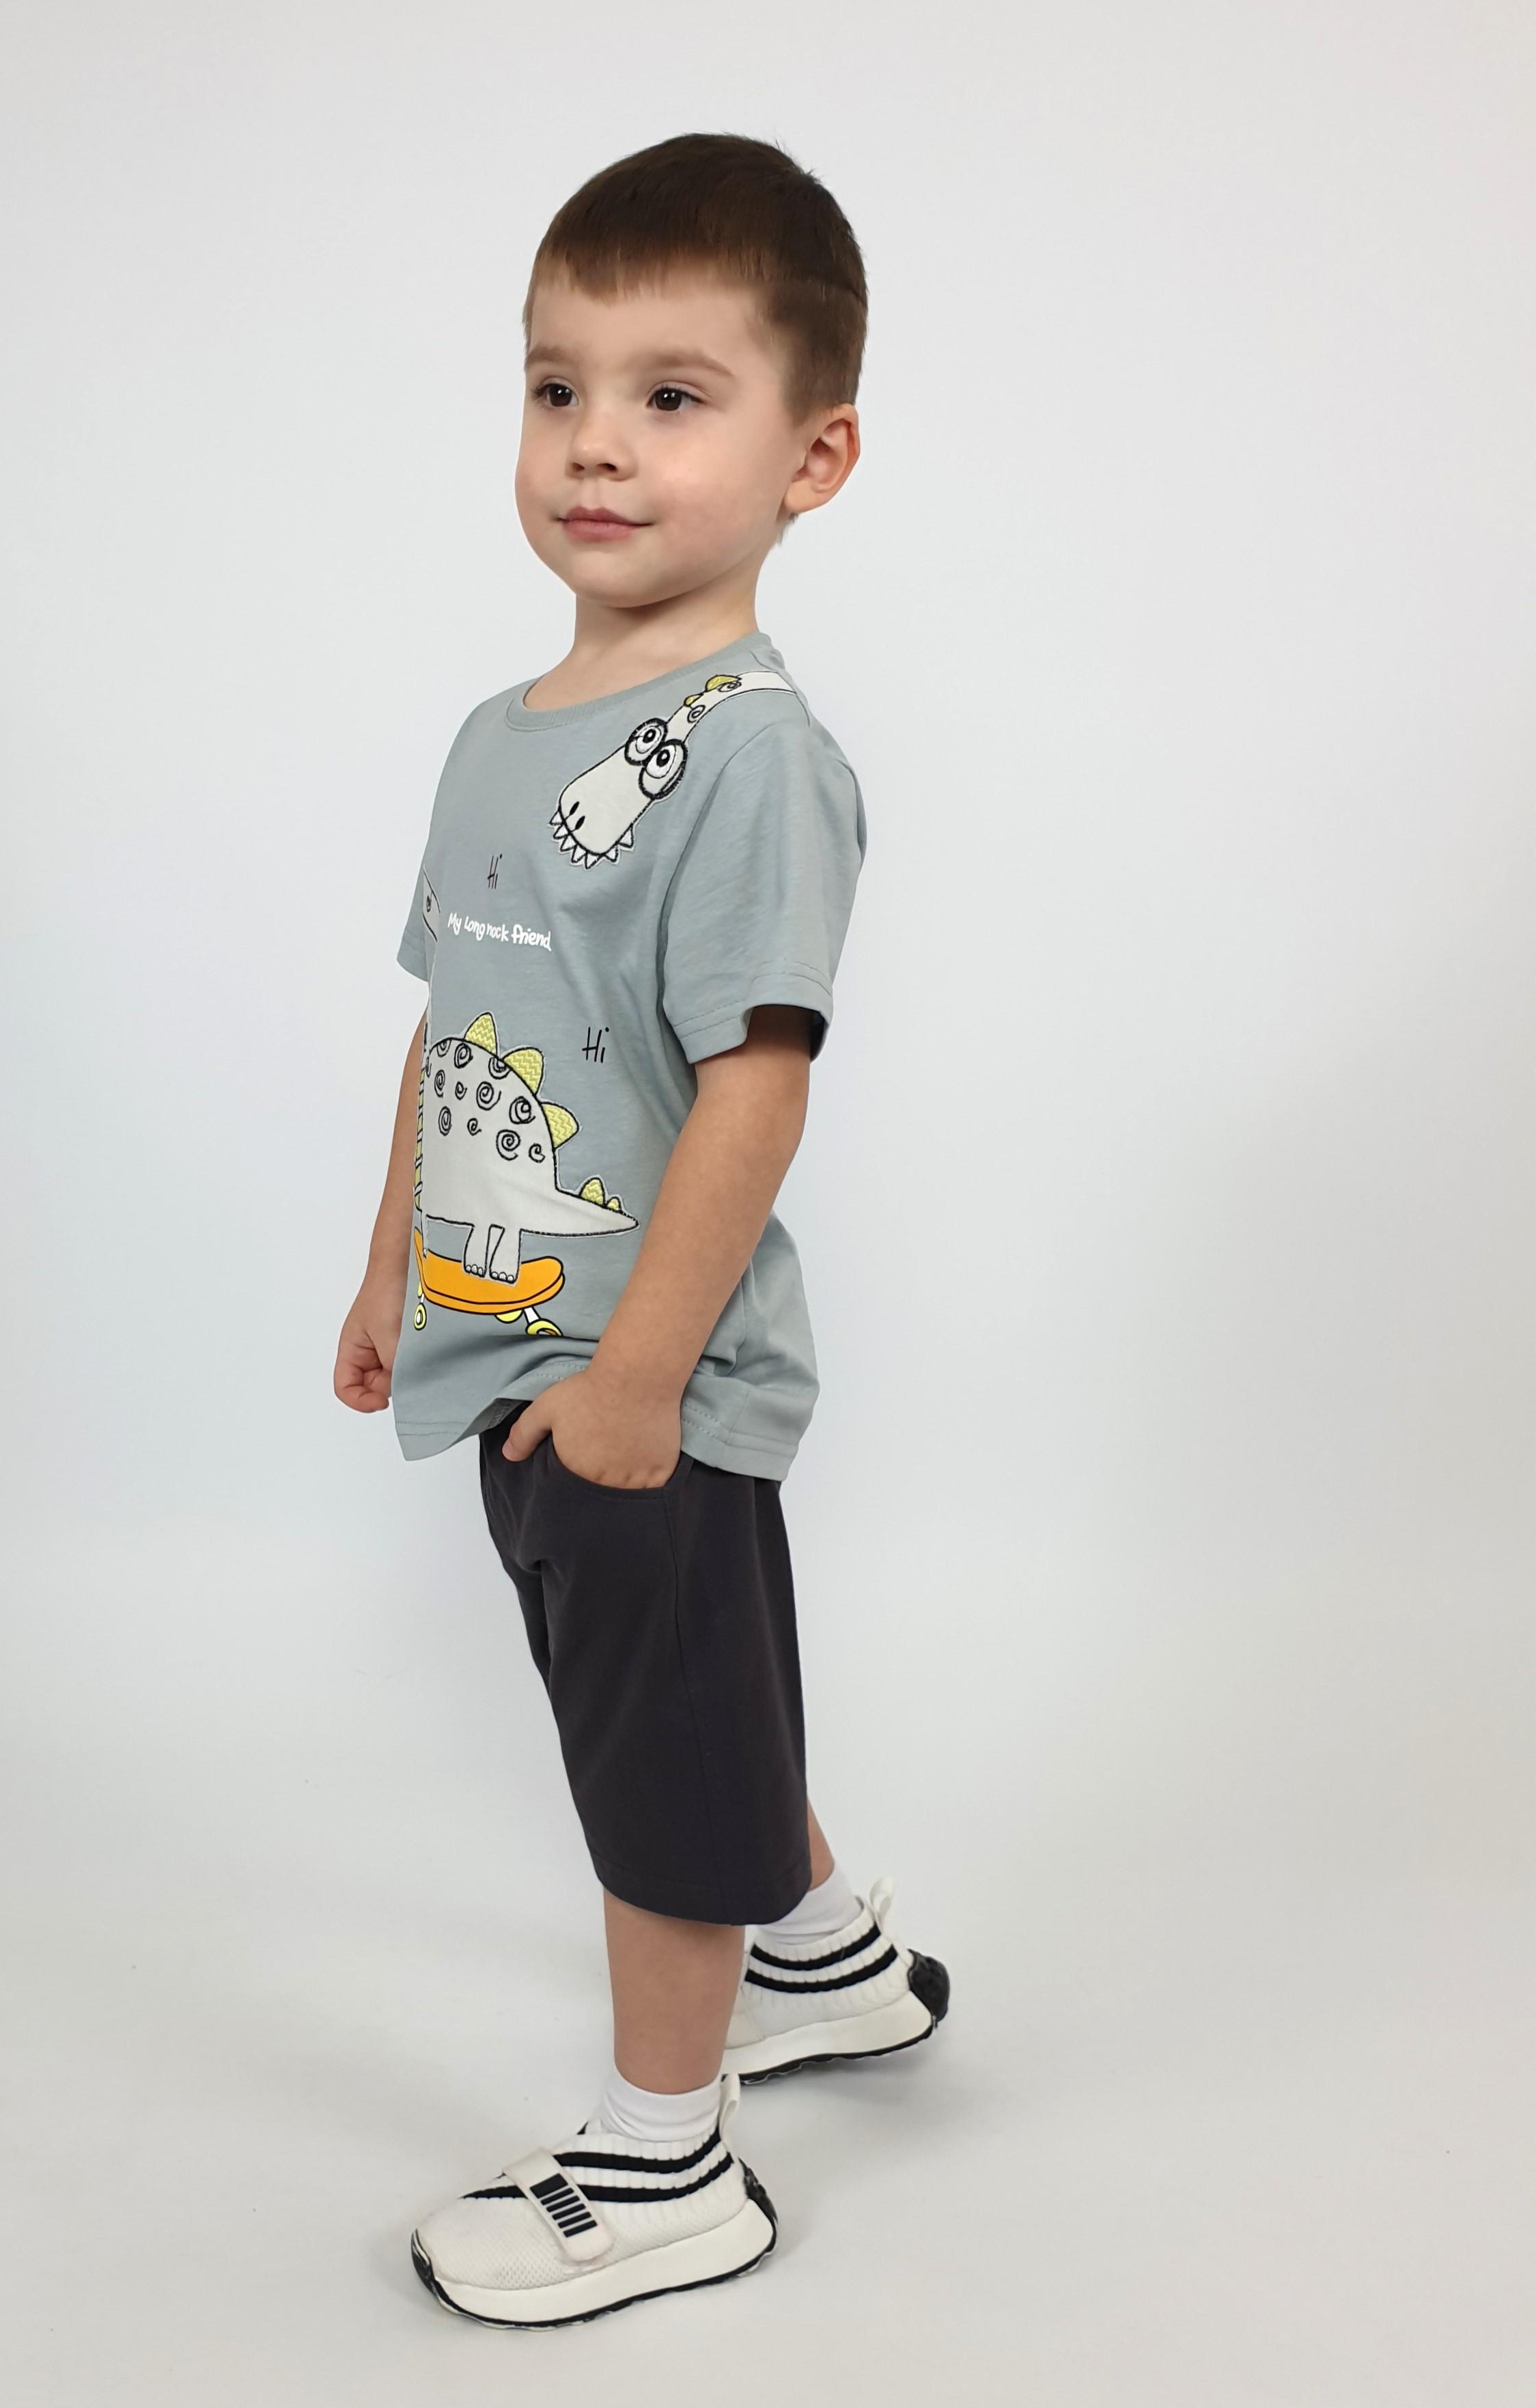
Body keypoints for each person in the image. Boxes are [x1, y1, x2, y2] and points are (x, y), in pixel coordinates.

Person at [333, 132, 949, 2329]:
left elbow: (758, 1087)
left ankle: (671, 2162)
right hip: (513, 1341)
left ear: (813, 457)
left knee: (654, 1747)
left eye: (673, 397)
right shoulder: (498, 740)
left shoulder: (750, 756)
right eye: (558, 386)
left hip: (638, 1375)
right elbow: (459, 1020)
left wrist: (641, 1380)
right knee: (689, 1700)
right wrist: (392, 1265)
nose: (597, 442)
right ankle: (829, 1962)